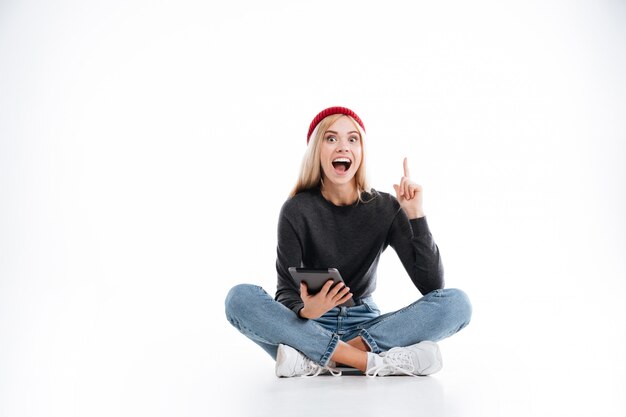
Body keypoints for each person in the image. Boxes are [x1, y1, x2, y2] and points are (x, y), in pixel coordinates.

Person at [225, 106, 472, 377]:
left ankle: (317, 361)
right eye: (331, 139)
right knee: (239, 298)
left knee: (457, 304)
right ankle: (367, 362)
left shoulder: (385, 207)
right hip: (308, 328)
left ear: (361, 152)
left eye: (352, 139)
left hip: (367, 328)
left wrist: (416, 216)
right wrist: (306, 310)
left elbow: (433, 287)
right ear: (317, 151)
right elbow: (285, 291)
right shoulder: (296, 210)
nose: (343, 146)